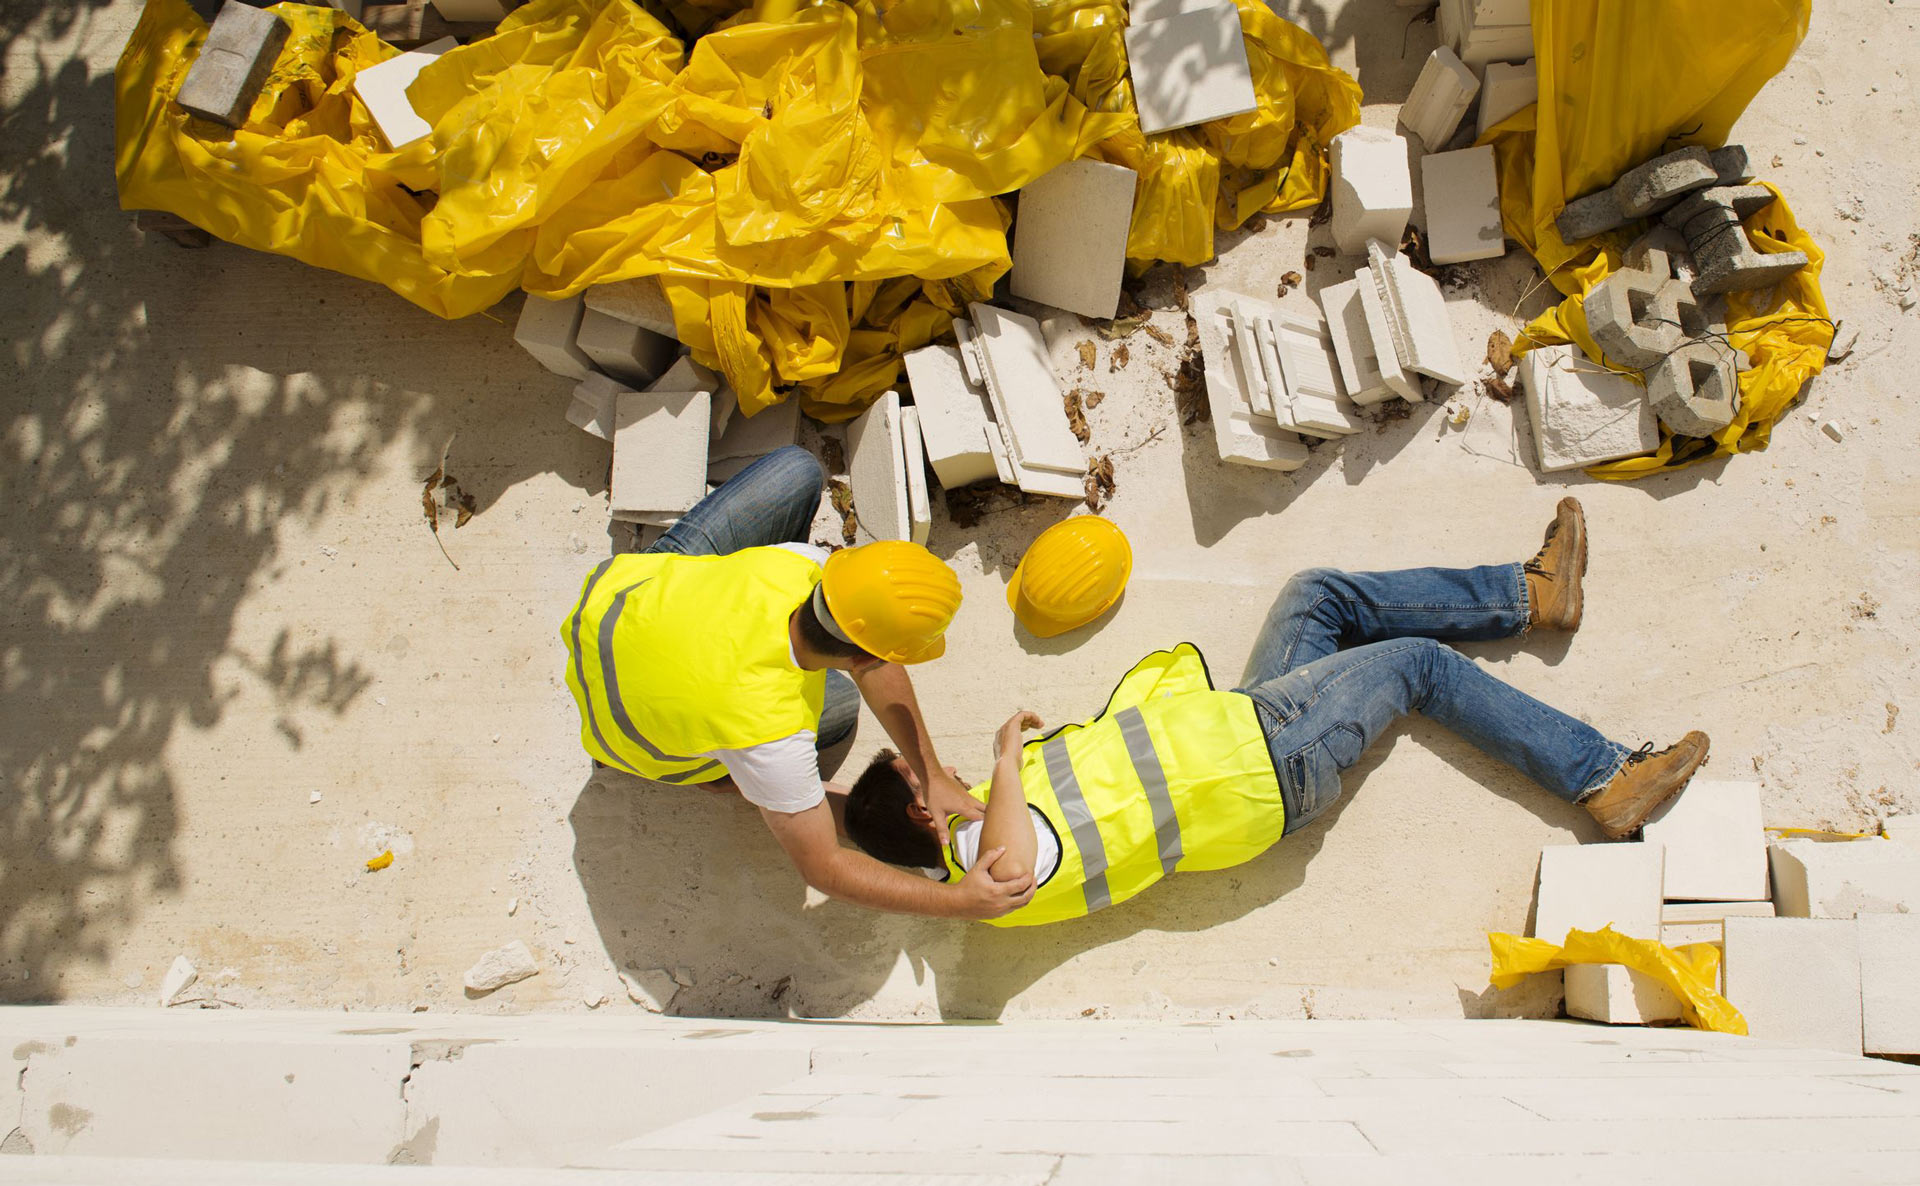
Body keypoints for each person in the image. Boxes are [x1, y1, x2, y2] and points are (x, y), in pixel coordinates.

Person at [842, 498, 1711, 926]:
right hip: (1270, 762)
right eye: (922, 771)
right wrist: (998, 760)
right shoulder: (987, 871)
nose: (939, 765)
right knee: (1416, 666)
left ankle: (1530, 595)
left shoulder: (962, 840)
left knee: (1315, 597)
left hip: (1241, 729)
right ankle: (1604, 777)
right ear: (924, 808)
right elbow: (1015, 863)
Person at [562, 444, 1033, 919]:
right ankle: (720, 776)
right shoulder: (771, 731)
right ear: (862, 655)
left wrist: (929, 774)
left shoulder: (795, 565)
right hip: (623, 733)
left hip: (618, 603)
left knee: (799, 470)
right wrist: (958, 901)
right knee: (841, 708)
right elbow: (823, 867)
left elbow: (873, 656)